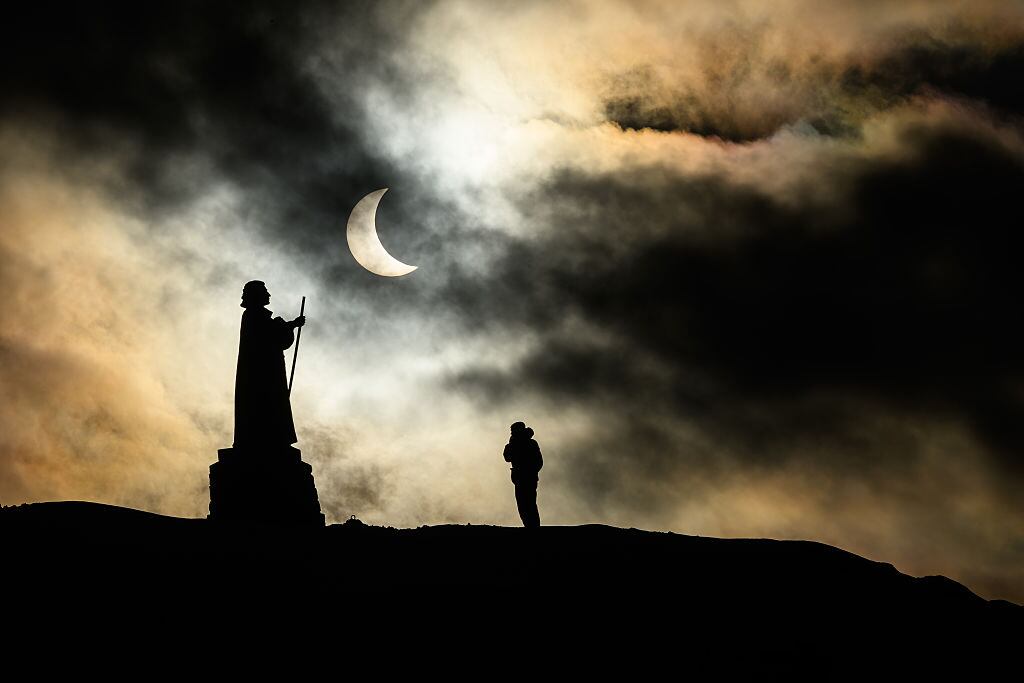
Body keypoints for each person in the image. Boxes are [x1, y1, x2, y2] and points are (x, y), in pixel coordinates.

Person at [233, 280, 305, 449]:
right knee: (265, 403)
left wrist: (291, 324)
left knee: (270, 403)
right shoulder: (253, 316)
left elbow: (274, 332)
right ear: (257, 295)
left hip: (268, 370)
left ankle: (273, 437)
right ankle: (268, 439)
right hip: (262, 374)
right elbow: (272, 335)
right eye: (265, 291)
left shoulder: (257, 316)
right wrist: (291, 325)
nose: (268, 295)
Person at [503, 421, 543, 528]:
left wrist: (531, 472)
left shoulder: (531, 443)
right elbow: (507, 458)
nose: (512, 433)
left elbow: (539, 462)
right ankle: (529, 526)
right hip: (520, 478)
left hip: (527, 478)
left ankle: (533, 526)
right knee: (523, 504)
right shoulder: (515, 444)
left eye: (513, 431)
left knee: (528, 503)